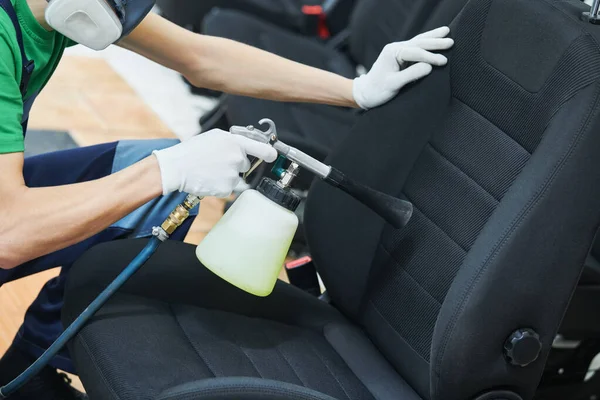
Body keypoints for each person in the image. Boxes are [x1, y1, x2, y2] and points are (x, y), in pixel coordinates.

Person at [0, 0, 453, 398]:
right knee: (155, 175)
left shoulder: (58, 9)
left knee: (154, 188)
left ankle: (27, 372)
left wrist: (354, 91)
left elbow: (201, 57)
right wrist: (166, 169)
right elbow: (8, 233)